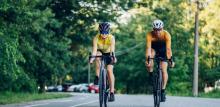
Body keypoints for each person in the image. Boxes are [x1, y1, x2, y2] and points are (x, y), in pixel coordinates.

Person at [145, 19, 175, 102]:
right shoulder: (149, 34)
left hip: (163, 49)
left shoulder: (166, 34)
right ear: (153, 29)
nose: (157, 32)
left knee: (164, 70)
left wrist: (170, 60)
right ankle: (151, 75)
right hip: (153, 48)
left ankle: (162, 90)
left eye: (159, 30)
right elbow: (148, 48)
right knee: (149, 59)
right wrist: (148, 59)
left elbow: (168, 49)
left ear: (162, 28)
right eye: (155, 30)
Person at [89, 22, 117, 102]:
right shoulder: (96, 38)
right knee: (97, 56)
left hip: (109, 53)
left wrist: (113, 57)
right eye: (102, 33)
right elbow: (94, 51)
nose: (104, 35)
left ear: (108, 32)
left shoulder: (111, 38)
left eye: (106, 33)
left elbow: (112, 50)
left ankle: (111, 92)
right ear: (99, 32)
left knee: (109, 70)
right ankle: (97, 76)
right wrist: (92, 59)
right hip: (100, 52)